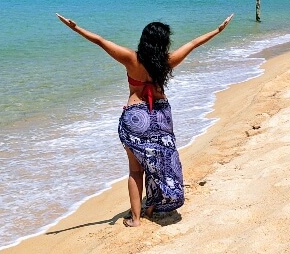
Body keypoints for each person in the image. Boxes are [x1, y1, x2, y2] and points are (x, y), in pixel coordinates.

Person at [56, 13, 233, 227]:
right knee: (159, 163)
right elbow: (194, 43)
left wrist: (75, 28)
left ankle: (136, 218)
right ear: (164, 42)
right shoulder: (167, 61)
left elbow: (100, 41)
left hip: (136, 116)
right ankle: (151, 206)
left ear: (144, 40)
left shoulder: (131, 59)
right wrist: (218, 30)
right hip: (161, 115)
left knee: (135, 170)